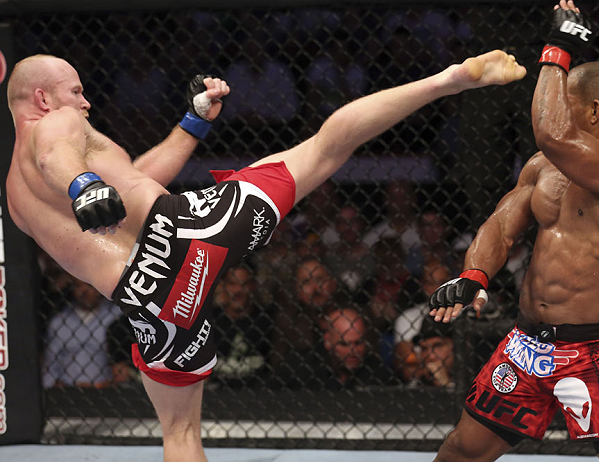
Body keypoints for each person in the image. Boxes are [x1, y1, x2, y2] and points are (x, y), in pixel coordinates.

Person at [6, 50, 525, 461]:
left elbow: (134, 178)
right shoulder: (53, 129)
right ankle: (446, 81)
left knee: (180, 432)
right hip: (186, 235)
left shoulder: (15, 196)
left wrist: (192, 123)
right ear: (42, 98)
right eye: (76, 92)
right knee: (324, 148)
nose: (86, 102)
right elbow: (60, 155)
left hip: (150, 299)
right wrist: (83, 184)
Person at [428, 2, 599, 460]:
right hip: (527, 342)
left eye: (563, 104)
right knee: (463, 450)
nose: (552, 111)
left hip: (594, 350)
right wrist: (474, 275)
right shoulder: (544, 168)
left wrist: (558, 49)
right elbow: (501, 225)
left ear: (593, 111)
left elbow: (549, 132)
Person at [272, 306, 395, 389]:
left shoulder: (378, 373)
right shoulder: (299, 367)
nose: (353, 351)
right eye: (344, 344)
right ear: (328, 342)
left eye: (358, 343)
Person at [42, 276, 121, 388]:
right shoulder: (59, 322)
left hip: (106, 388)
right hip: (68, 389)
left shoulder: (115, 316)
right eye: (78, 285)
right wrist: (52, 386)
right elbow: (50, 362)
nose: (84, 291)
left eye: (89, 285)